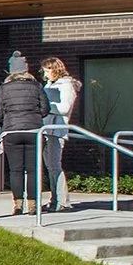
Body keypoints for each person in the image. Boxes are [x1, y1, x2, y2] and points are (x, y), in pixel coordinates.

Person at [0, 51, 51, 217]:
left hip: (12, 131)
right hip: (34, 131)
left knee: (16, 170)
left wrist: (9, 118)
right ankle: (33, 205)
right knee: (33, 170)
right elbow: (45, 109)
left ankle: (17, 205)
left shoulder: (3, 89)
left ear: (10, 71)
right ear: (26, 70)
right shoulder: (36, 86)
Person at [39, 57, 81, 213]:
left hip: (56, 130)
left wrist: (45, 106)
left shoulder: (66, 85)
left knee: (55, 166)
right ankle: (54, 199)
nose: (45, 73)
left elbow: (65, 108)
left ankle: (62, 201)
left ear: (55, 69)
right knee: (50, 166)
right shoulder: (49, 85)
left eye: (47, 70)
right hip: (46, 129)